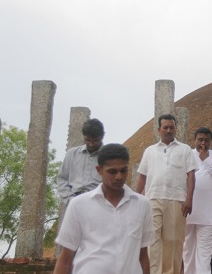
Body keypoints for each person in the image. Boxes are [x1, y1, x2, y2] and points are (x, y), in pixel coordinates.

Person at [54, 143, 154, 274]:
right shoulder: (78, 205)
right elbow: (65, 258)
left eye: (123, 170)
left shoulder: (143, 205)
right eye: (112, 171)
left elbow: (143, 255)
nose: (119, 176)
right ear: (99, 170)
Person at [135, 114, 198, 274]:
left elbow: (191, 175)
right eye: (165, 127)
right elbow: (142, 176)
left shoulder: (185, 150)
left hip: (177, 201)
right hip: (153, 200)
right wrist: (135, 198)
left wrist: (188, 199)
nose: (169, 130)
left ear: (176, 129)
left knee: (173, 241)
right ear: (159, 130)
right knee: (152, 240)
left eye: (172, 127)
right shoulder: (149, 151)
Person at [182, 127, 212, 274]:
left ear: (211, 141)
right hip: (188, 211)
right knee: (188, 250)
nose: (203, 143)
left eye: (206, 140)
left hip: (208, 214)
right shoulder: (187, 154)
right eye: (200, 139)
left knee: (205, 252)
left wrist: (207, 160)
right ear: (194, 140)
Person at [56, 119, 105, 221]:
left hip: (98, 204)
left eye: (95, 140)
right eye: (88, 140)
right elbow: (61, 179)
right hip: (73, 202)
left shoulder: (108, 156)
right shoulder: (72, 154)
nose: (91, 144)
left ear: (102, 136)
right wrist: (70, 199)